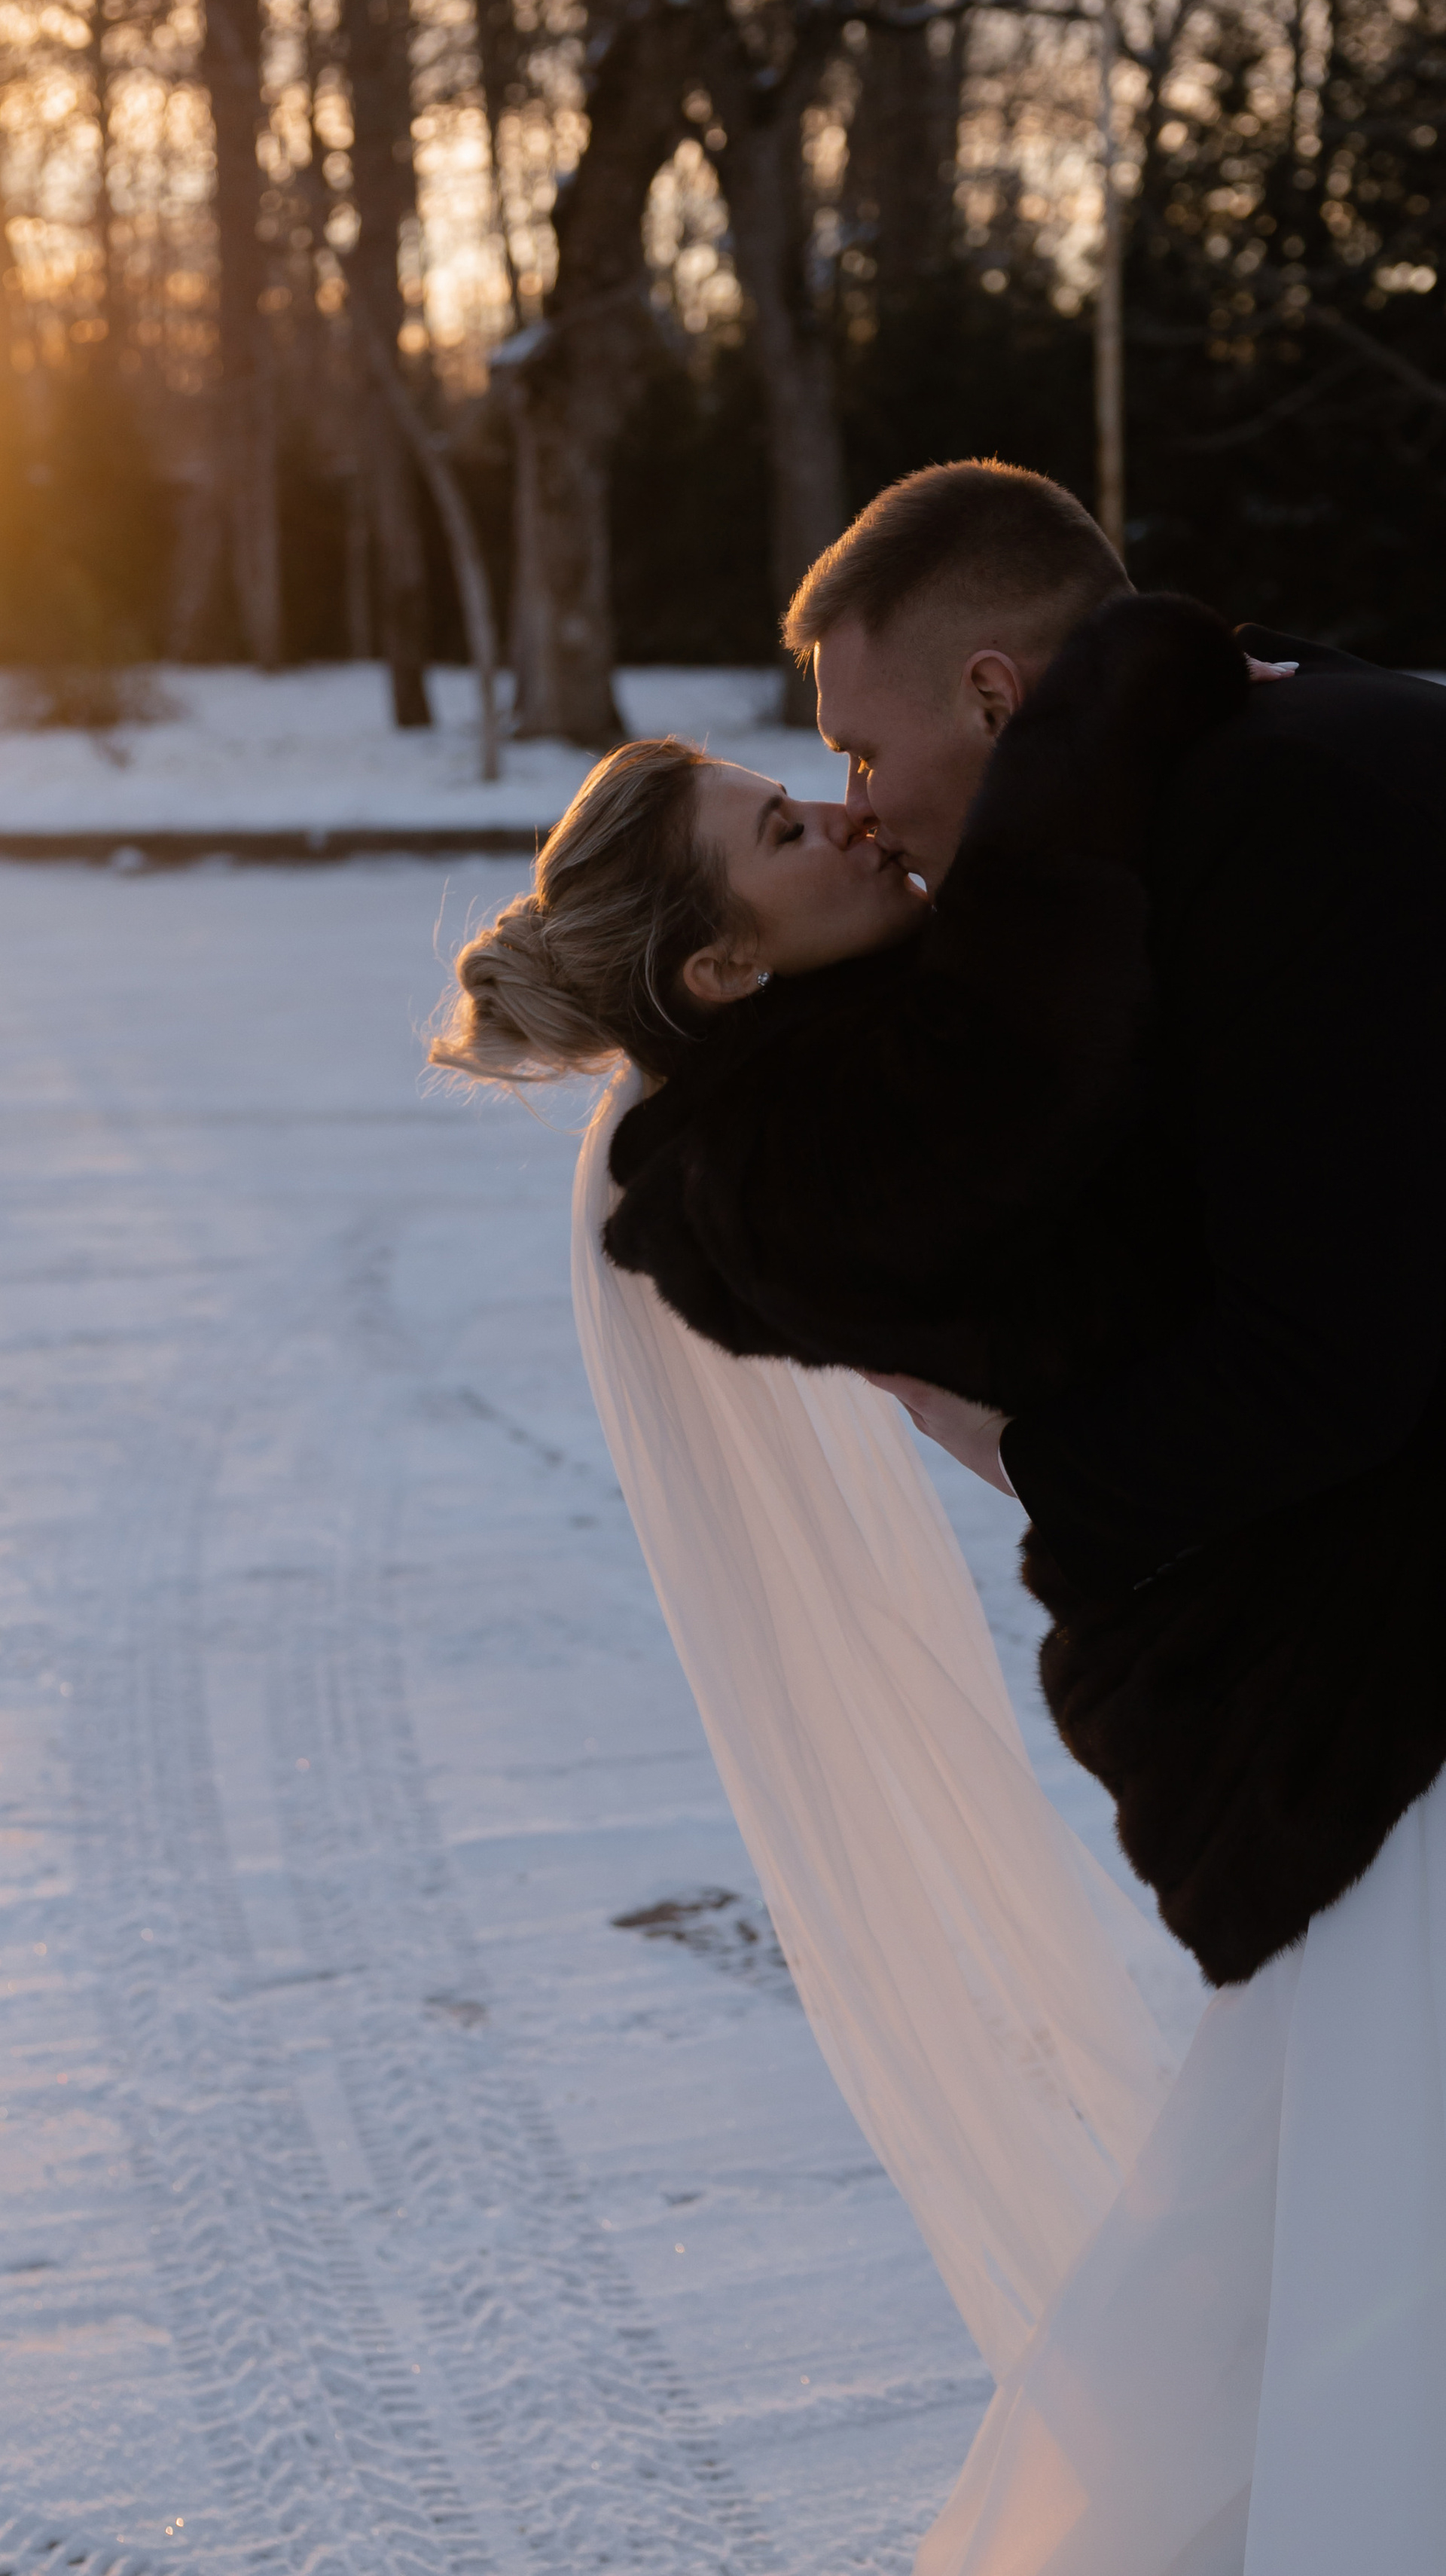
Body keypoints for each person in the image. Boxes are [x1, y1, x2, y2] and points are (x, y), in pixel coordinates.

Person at [429, 461, 1446, 2571]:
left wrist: (1042, 1464)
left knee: (1300, 2268)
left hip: (1356, 1681)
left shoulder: (1236, 830)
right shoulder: (867, 1100)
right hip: (1338, 1698)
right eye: (799, 807)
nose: (856, 805)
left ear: (999, 689)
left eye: (851, 761)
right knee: (1318, 2264)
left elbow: (1331, 1340)